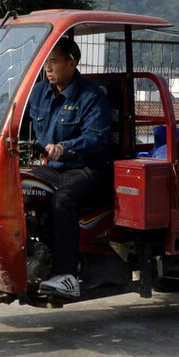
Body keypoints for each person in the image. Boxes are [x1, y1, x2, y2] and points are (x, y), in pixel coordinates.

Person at [28, 36, 113, 298]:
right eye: (46, 62)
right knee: (18, 185)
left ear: (72, 63)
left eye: (54, 62)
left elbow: (96, 138)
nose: (48, 68)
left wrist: (65, 148)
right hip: (54, 168)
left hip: (89, 168)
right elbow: (14, 116)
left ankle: (66, 275)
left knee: (62, 200)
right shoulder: (40, 92)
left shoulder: (92, 97)